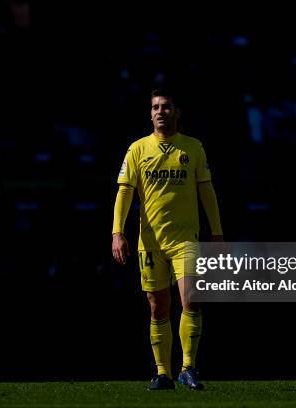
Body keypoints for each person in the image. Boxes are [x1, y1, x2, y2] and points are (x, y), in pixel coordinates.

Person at [111, 89, 223, 390]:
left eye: (166, 106)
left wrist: (217, 232)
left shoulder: (193, 148)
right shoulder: (137, 149)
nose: (160, 111)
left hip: (185, 239)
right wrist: (117, 233)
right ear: (150, 114)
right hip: (150, 242)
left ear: (177, 112)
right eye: (155, 107)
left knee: (192, 299)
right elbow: (125, 192)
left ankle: (188, 368)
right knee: (157, 306)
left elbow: (206, 190)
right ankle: (163, 373)